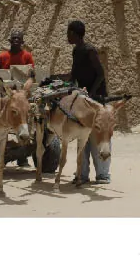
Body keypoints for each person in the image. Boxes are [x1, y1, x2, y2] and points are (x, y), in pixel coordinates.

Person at [56, 20, 111, 185]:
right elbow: (74, 76)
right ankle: (83, 173)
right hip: (84, 99)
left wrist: (91, 94)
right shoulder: (76, 51)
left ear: (74, 33)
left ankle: (102, 174)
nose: (67, 36)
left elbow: (101, 75)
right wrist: (59, 80)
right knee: (83, 134)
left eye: (68, 32)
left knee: (97, 135)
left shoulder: (89, 51)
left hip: (96, 98)